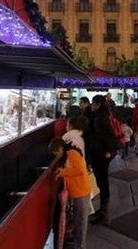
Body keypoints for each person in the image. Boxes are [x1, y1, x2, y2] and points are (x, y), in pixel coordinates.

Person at [49, 138, 91, 249]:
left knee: (80, 222)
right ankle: (78, 244)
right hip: (78, 191)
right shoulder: (67, 154)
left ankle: (80, 246)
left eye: (57, 153)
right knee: (78, 221)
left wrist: (63, 172)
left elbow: (80, 170)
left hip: (81, 191)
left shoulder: (72, 153)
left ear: (61, 148)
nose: (57, 156)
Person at [87, 95, 118, 224]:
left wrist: (110, 151)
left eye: (93, 103)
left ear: (98, 104)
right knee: (102, 181)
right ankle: (102, 211)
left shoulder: (99, 118)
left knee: (102, 182)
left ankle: (103, 214)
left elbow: (108, 136)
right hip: (101, 153)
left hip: (101, 154)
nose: (91, 105)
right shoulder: (102, 115)